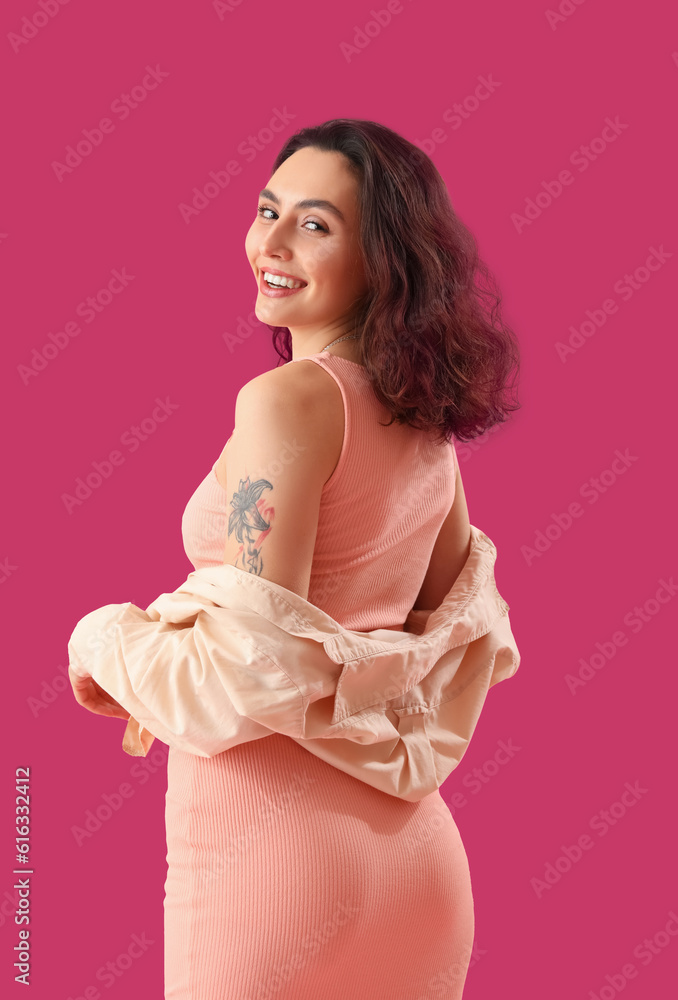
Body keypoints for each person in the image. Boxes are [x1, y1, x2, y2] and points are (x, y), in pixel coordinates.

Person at [70, 117, 520, 999]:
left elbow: (249, 668)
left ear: (384, 258)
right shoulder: (422, 419)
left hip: (271, 867)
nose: (270, 243)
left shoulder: (289, 401)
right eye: (267, 210)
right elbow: (459, 635)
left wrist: (105, 642)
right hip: (415, 864)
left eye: (314, 224)